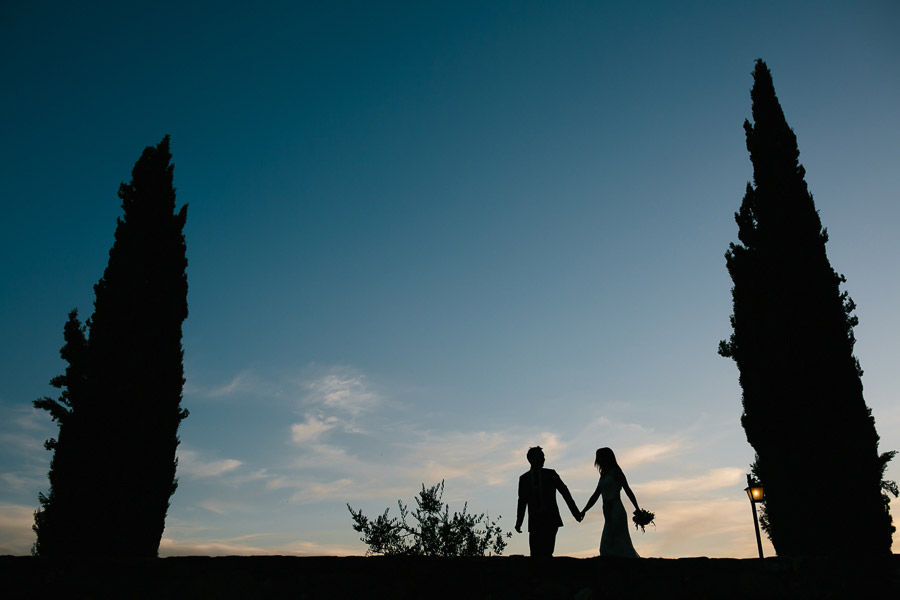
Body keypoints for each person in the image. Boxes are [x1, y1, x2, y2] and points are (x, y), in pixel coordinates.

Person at [515, 446, 582, 557]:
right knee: (535, 554)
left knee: (547, 552)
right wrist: (519, 522)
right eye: (540, 456)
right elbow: (522, 501)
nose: (543, 459)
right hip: (535, 521)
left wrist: (576, 513)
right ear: (531, 459)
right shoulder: (524, 479)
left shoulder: (551, 474)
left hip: (550, 519)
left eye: (543, 456)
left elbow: (565, 493)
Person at [579, 447, 640, 557]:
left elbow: (627, 490)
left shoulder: (616, 472)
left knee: (617, 539)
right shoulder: (603, 475)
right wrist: (584, 511)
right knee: (608, 540)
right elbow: (595, 495)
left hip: (616, 508)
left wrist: (637, 508)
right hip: (607, 510)